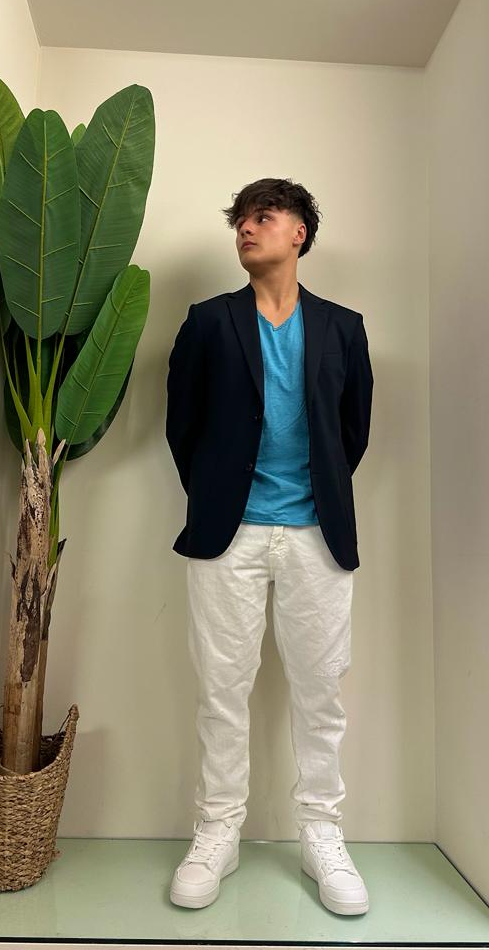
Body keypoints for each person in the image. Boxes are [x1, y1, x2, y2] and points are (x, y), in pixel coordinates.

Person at [165, 178, 373, 916]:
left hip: (318, 535)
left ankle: (322, 833)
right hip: (230, 535)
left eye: (263, 217)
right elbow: (182, 426)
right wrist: (219, 494)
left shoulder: (343, 327)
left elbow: (352, 433)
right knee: (222, 691)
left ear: (299, 233)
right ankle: (217, 831)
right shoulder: (208, 322)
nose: (246, 229)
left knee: (321, 693)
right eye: (240, 221)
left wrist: (315, 495)